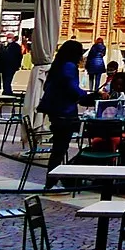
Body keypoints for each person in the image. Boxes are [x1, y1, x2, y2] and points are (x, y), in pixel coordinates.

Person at [39, 39, 94, 184]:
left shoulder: (58, 66)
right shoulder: (69, 67)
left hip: (55, 111)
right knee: (60, 149)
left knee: (58, 149)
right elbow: (72, 88)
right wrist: (88, 96)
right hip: (64, 112)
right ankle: (53, 180)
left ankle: (55, 179)